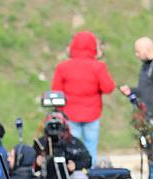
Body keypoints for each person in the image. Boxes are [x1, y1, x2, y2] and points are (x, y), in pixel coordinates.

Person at [49, 31, 117, 161]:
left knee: (70, 147)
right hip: (92, 114)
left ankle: (72, 173)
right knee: (90, 148)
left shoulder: (63, 67)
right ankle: (88, 174)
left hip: (70, 114)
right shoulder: (98, 67)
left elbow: (56, 91)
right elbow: (108, 88)